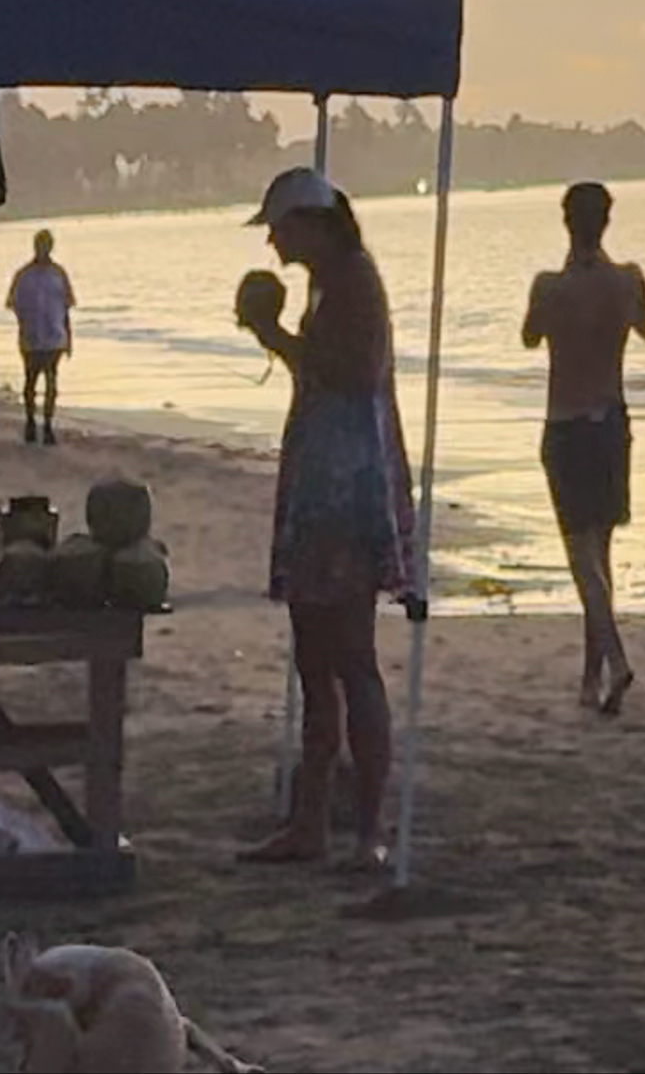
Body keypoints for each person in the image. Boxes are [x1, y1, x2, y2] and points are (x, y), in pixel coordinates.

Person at [237, 161, 413, 859]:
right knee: (314, 656)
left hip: (347, 489)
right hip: (322, 483)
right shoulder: (329, 283)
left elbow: (352, 372)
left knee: (351, 657)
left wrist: (272, 333)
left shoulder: (354, 281)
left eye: (278, 229)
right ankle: (310, 820)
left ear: (310, 224)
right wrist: (277, 334)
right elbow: (327, 367)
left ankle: (367, 827)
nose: (273, 244)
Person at [520, 180, 645, 710]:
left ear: (565, 223)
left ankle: (615, 661)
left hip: (568, 424)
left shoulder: (550, 288)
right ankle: (589, 678)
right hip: (611, 422)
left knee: (583, 558)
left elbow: (530, 336)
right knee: (599, 556)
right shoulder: (627, 280)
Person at [7, 226, 78, 447]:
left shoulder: (59, 273)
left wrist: (69, 337)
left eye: (47, 245)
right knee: (30, 382)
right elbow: (14, 304)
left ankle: (47, 426)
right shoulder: (23, 275)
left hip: (54, 336)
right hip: (31, 337)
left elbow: (66, 306)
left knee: (51, 382)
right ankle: (30, 422)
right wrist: (23, 328)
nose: (44, 249)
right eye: (41, 245)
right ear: (35, 246)